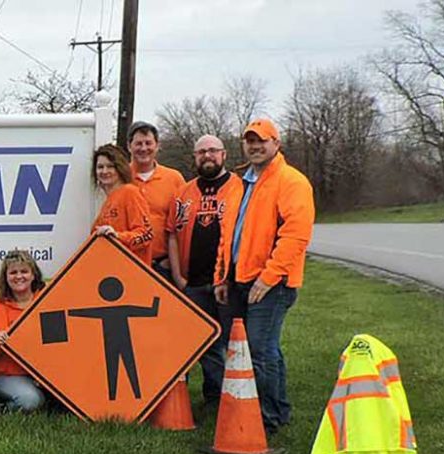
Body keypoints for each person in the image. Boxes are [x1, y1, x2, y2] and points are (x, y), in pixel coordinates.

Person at [214, 118, 315, 435]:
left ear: (276, 144)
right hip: (238, 281)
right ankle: (278, 409)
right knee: (261, 348)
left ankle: (268, 418)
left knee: (260, 349)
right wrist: (221, 276)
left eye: (262, 140)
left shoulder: (291, 181)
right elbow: (228, 235)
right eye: (250, 140)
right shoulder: (239, 183)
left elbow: (296, 237)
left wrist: (268, 278)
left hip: (272, 285)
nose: (255, 146)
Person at [166, 135, 241, 409]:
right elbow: (171, 234)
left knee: (231, 342)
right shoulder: (183, 193)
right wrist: (178, 278)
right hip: (193, 283)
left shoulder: (240, 188)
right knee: (204, 343)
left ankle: (235, 397)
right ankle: (214, 398)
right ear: (195, 157)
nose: (207, 156)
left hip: (227, 283)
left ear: (223, 155)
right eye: (201, 152)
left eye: (212, 151)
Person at [0, 250, 50, 412]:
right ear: (6, 277)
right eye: (13, 272)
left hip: (42, 373)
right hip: (3, 375)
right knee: (30, 401)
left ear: (33, 275)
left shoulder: (47, 302)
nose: (19, 276)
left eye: (24, 271)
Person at [128, 121, 186, 277]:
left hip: (164, 266)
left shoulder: (174, 178)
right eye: (138, 143)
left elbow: (183, 224)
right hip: (128, 262)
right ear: (129, 146)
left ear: (157, 146)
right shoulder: (121, 178)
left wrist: (172, 263)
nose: (144, 148)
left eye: (148, 143)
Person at [92, 144, 153, 263]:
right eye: (100, 167)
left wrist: (117, 236)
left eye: (110, 166)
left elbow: (146, 235)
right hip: (113, 272)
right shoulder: (107, 202)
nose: (104, 171)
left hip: (133, 272)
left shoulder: (130, 193)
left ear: (120, 168)